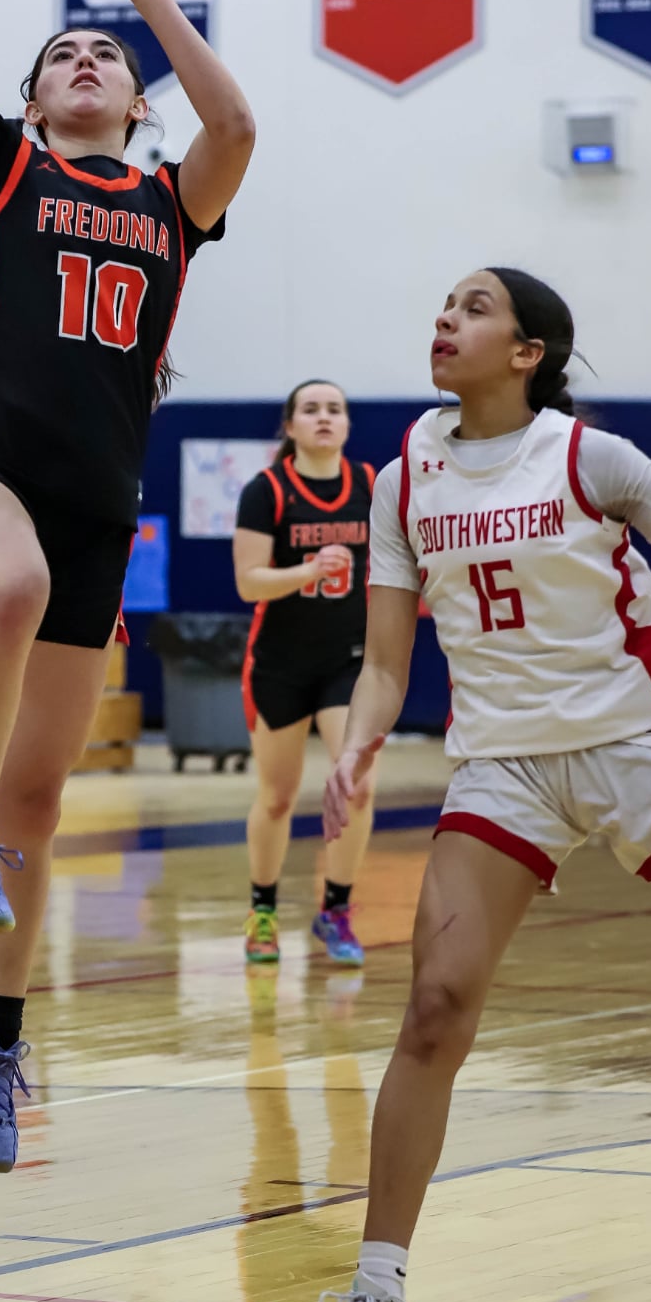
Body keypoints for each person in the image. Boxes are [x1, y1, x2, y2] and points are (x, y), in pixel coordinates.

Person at [0, 0, 255, 1173]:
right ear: (37, 101)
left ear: (133, 94)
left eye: (105, 56)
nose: (86, 61)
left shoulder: (172, 199)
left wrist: (152, 1)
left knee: (44, 809)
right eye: (64, 54)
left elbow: (238, 130)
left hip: (94, 506)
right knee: (7, 586)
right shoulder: (1, 172)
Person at [299, 267, 651, 1302]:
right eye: (443, 304)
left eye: (473, 306)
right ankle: (377, 1295)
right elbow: (384, 659)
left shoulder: (588, 455)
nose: (444, 318)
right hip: (501, 763)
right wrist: (362, 743)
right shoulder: (403, 473)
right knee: (432, 1007)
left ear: (529, 351)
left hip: (638, 737)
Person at [235, 381, 376, 968]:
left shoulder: (372, 485)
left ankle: (336, 910)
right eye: (311, 409)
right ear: (290, 427)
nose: (324, 417)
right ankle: (263, 910)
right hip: (279, 665)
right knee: (277, 798)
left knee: (358, 784)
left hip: (347, 661)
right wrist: (309, 568)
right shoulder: (265, 491)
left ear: (346, 425)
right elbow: (248, 583)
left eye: (334, 409)